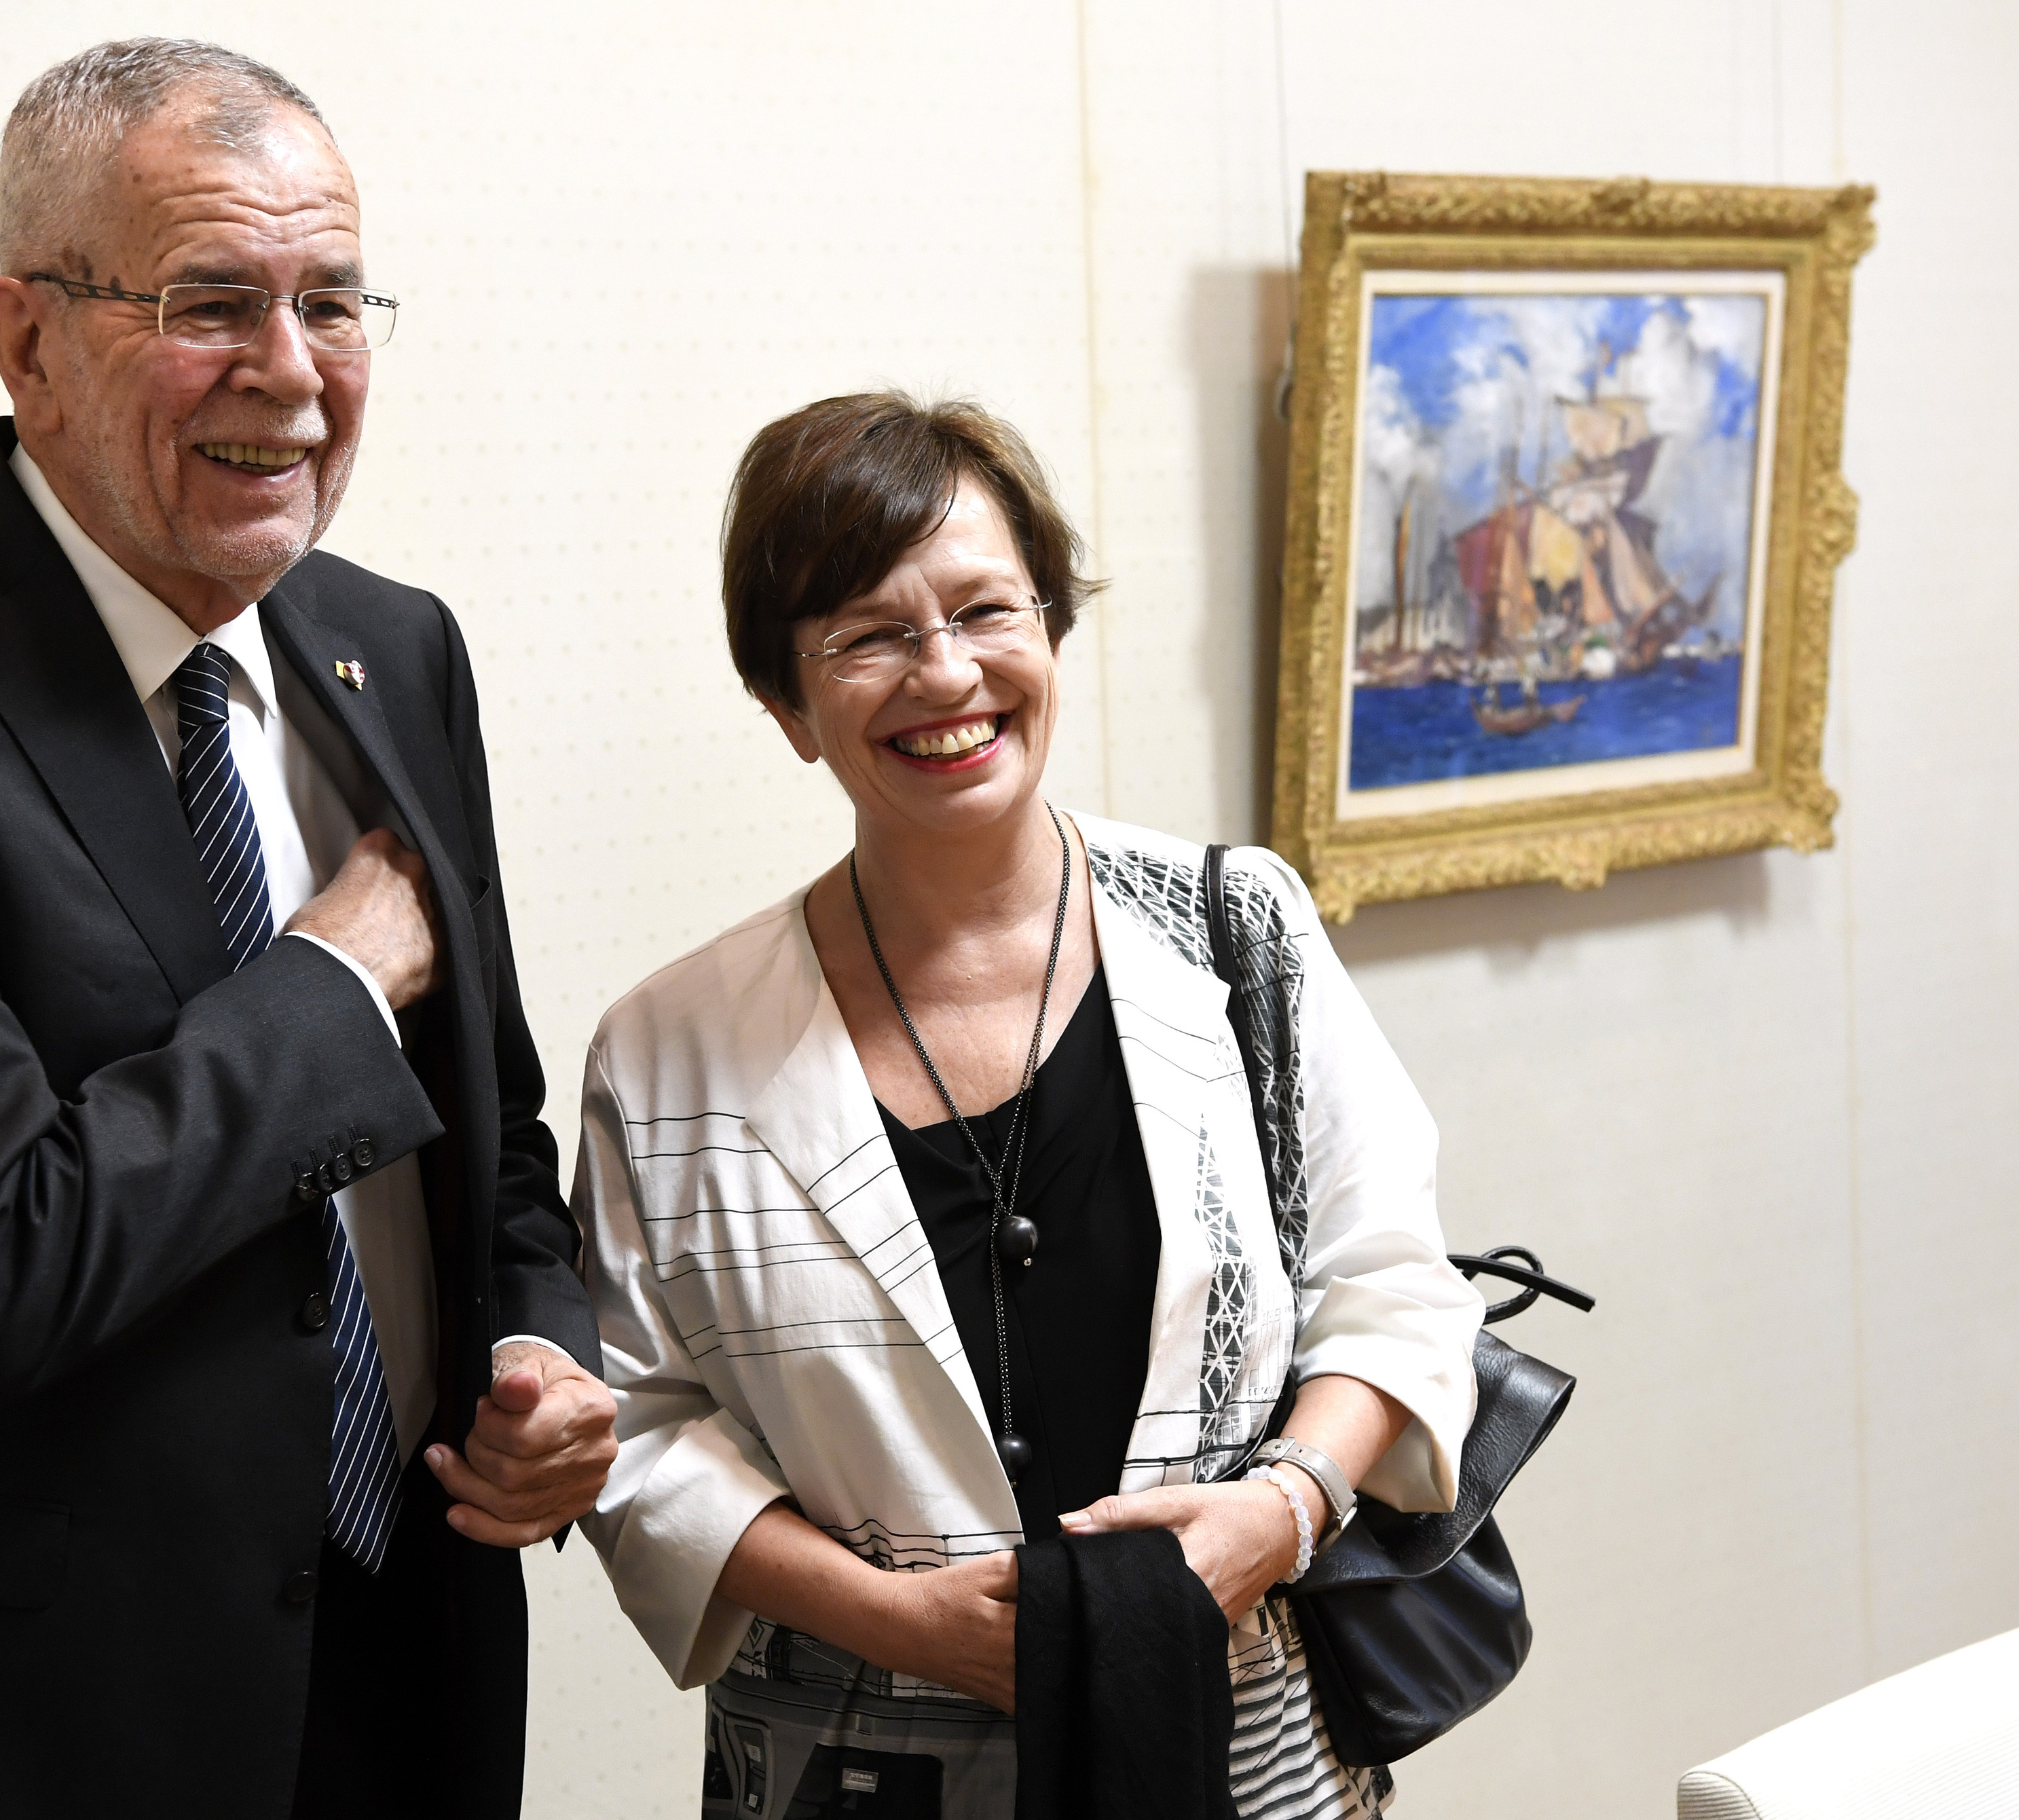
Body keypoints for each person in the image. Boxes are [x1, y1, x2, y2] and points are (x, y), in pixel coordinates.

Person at [0, 40, 611, 1819]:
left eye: (333, 303)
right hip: (19, 1721)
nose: (291, 375)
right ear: (25, 336)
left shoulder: (392, 647)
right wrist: (333, 976)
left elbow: (491, 1151)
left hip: (397, 1659)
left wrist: (541, 1345)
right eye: (212, 302)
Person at [574, 393, 1485, 1817]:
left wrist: (1282, 1509)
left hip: (1240, 1741)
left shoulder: (1233, 929)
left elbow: (1392, 1285)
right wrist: (898, 1622)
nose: (944, 675)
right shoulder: (667, 1049)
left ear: (1050, 628)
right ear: (785, 705)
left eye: (985, 611)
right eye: (867, 635)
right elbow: (634, 1427)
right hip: (847, 1768)